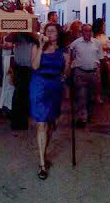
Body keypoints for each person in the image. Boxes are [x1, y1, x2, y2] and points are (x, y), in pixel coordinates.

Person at [30, 23, 69, 180]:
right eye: (47, 31)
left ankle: (43, 152)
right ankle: (42, 164)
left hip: (55, 86)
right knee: (41, 123)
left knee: (51, 123)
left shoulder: (64, 51)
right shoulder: (36, 47)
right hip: (39, 85)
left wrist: (67, 71)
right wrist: (40, 46)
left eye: (53, 31)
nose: (50, 33)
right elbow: (34, 66)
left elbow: (66, 72)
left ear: (58, 34)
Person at [70, 24, 103, 127]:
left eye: (89, 31)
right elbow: (71, 54)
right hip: (80, 72)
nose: (87, 33)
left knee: (90, 96)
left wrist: (98, 73)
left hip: (93, 73)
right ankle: (82, 118)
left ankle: (89, 115)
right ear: (81, 32)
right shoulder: (76, 43)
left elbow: (100, 59)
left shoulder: (97, 43)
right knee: (81, 95)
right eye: (85, 31)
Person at [5, 32, 37, 130]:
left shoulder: (33, 36)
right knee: (18, 95)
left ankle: (23, 121)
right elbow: (8, 39)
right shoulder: (16, 35)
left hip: (29, 69)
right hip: (19, 68)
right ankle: (17, 122)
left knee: (26, 95)